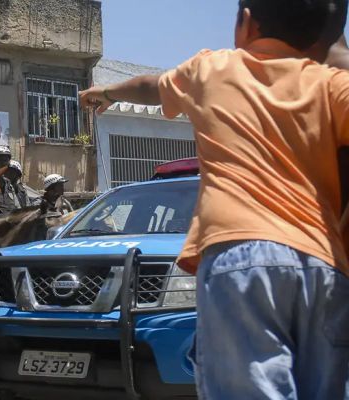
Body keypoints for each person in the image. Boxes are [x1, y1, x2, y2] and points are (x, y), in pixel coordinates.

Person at [78, 0, 349, 397]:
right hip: (324, 267)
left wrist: (107, 91)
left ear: (245, 22)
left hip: (241, 259)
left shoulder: (213, 70)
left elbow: (151, 86)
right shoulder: (331, 86)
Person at [0, 145, 19, 215]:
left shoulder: (7, 183)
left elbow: (16, 206)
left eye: (6, 160)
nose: (4, 163)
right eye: (0, 160)